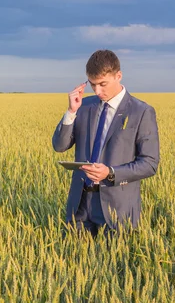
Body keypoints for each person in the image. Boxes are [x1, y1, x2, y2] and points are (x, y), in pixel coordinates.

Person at [52, 49, 160, 237]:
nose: (98, 91)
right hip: (80, 205)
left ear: (118, 76)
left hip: (117, 208)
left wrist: (110, 173)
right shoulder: (83, 106)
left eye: (103, 84)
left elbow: (149, 164)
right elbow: (59, 146)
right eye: (93, 85)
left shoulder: (141, 112)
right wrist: (71, 112)